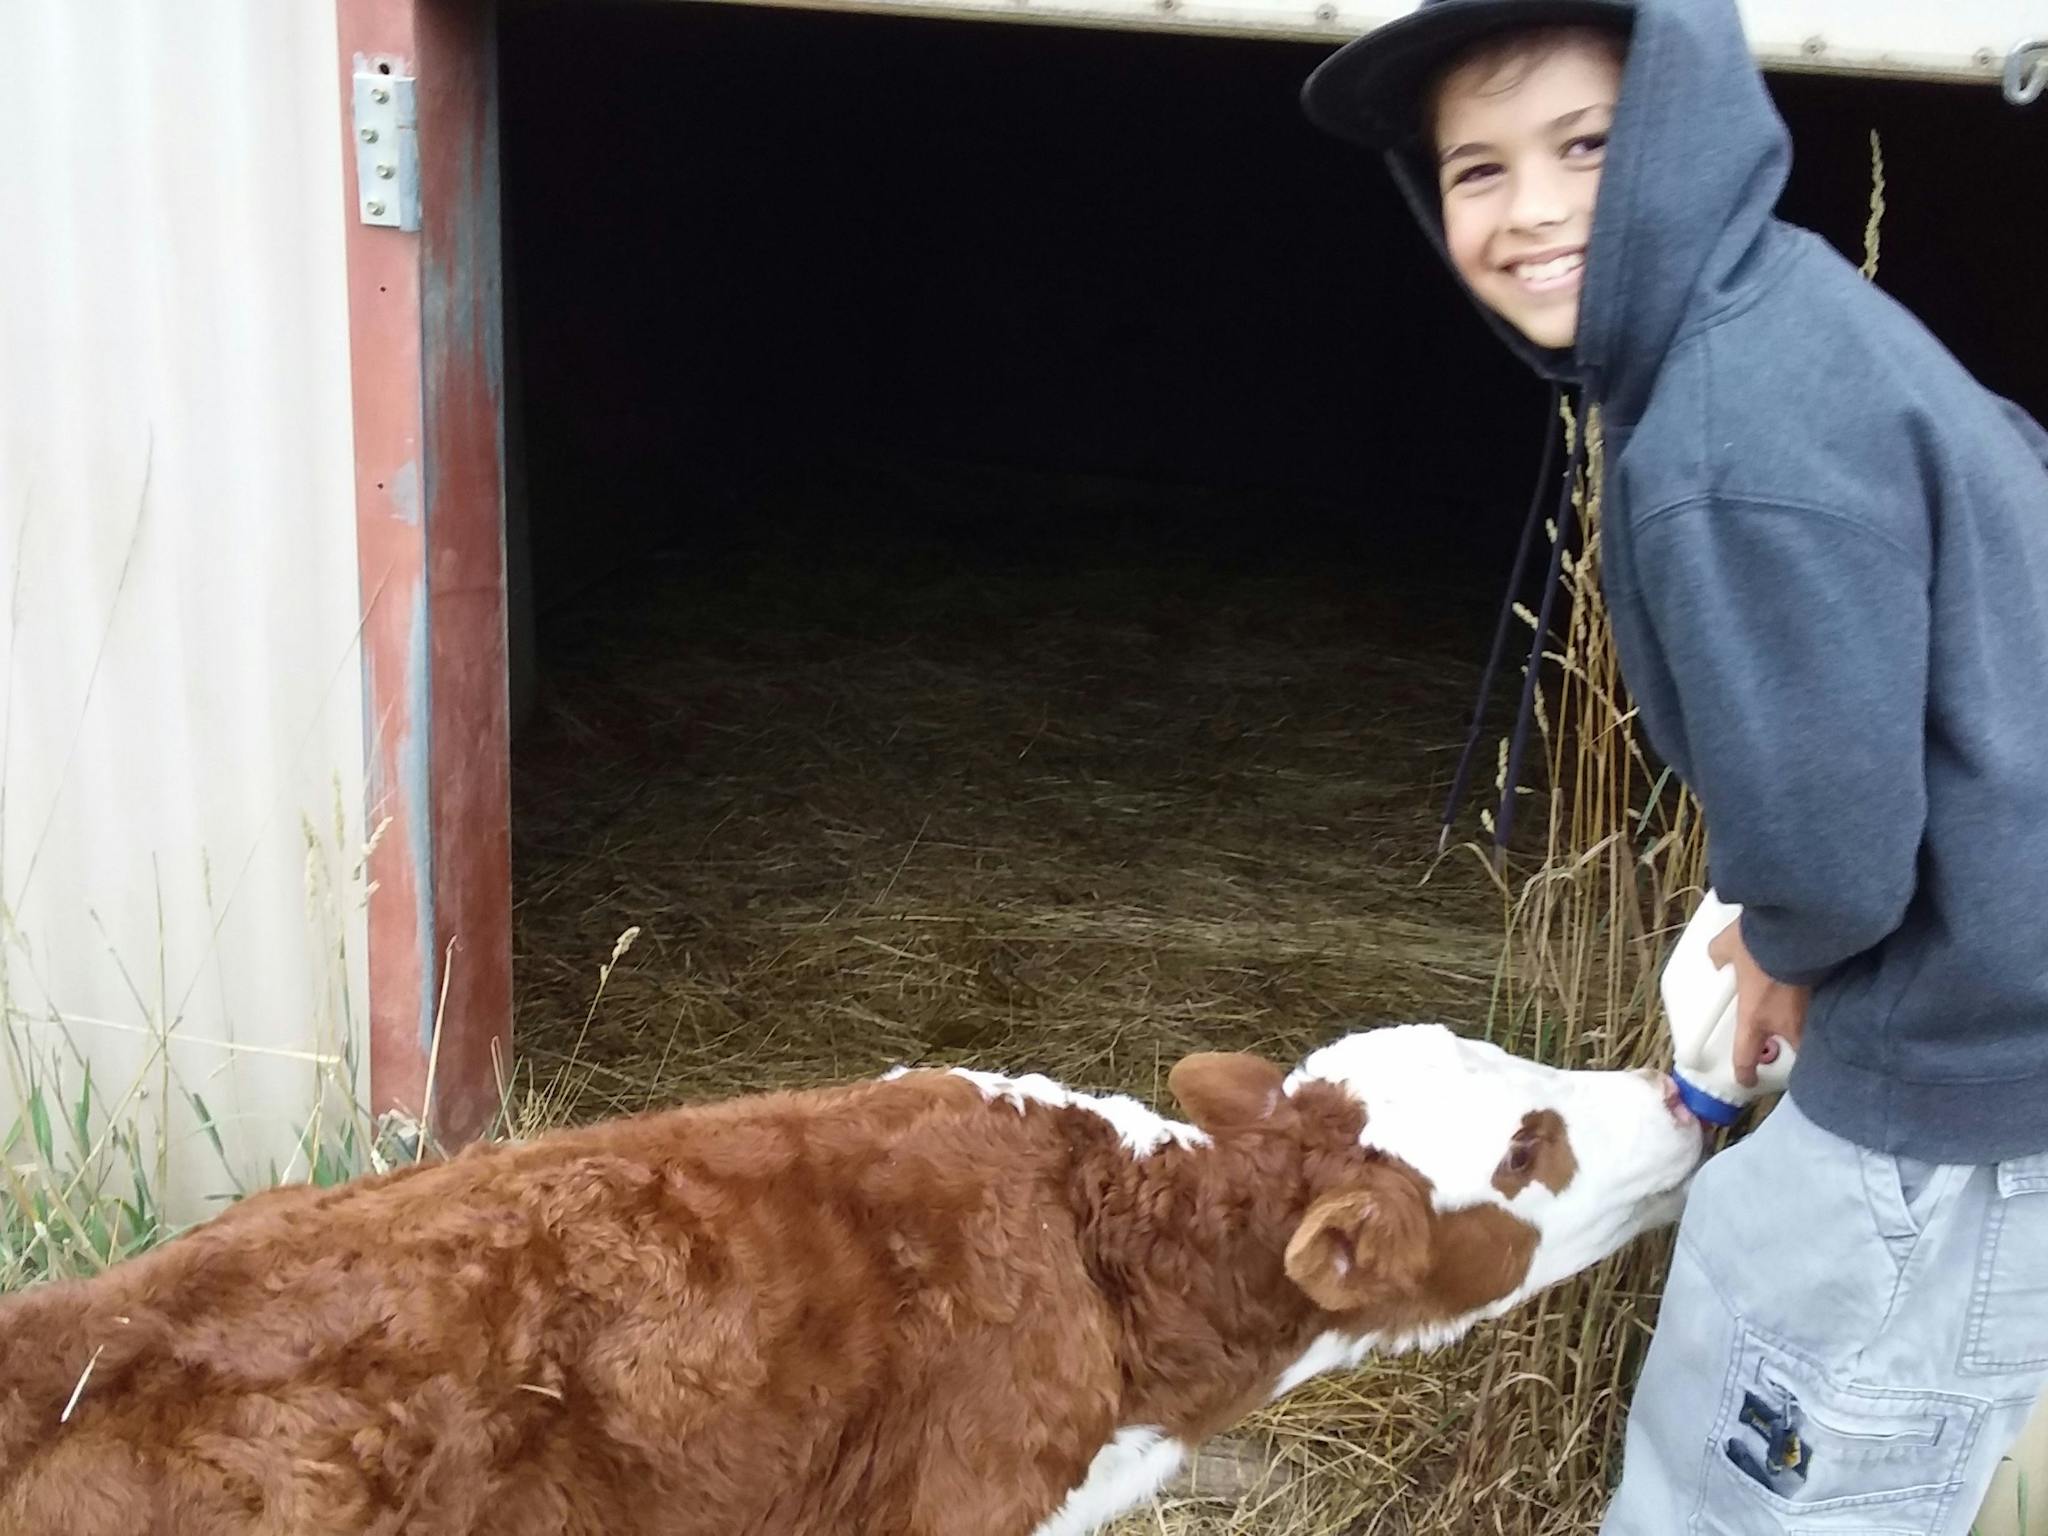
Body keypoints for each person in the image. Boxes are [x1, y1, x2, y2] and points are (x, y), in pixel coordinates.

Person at [1299, 1, 2048, 1530]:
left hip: (1950, 1070)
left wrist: (1784, 939)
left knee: (1764, 1486)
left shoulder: (1717, 439)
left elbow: (1839, 854)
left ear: (1690, 127)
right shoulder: (1773, 315)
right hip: (1984, 1009)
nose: (1534, 209)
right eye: (1478, 168)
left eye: (1589, 145)